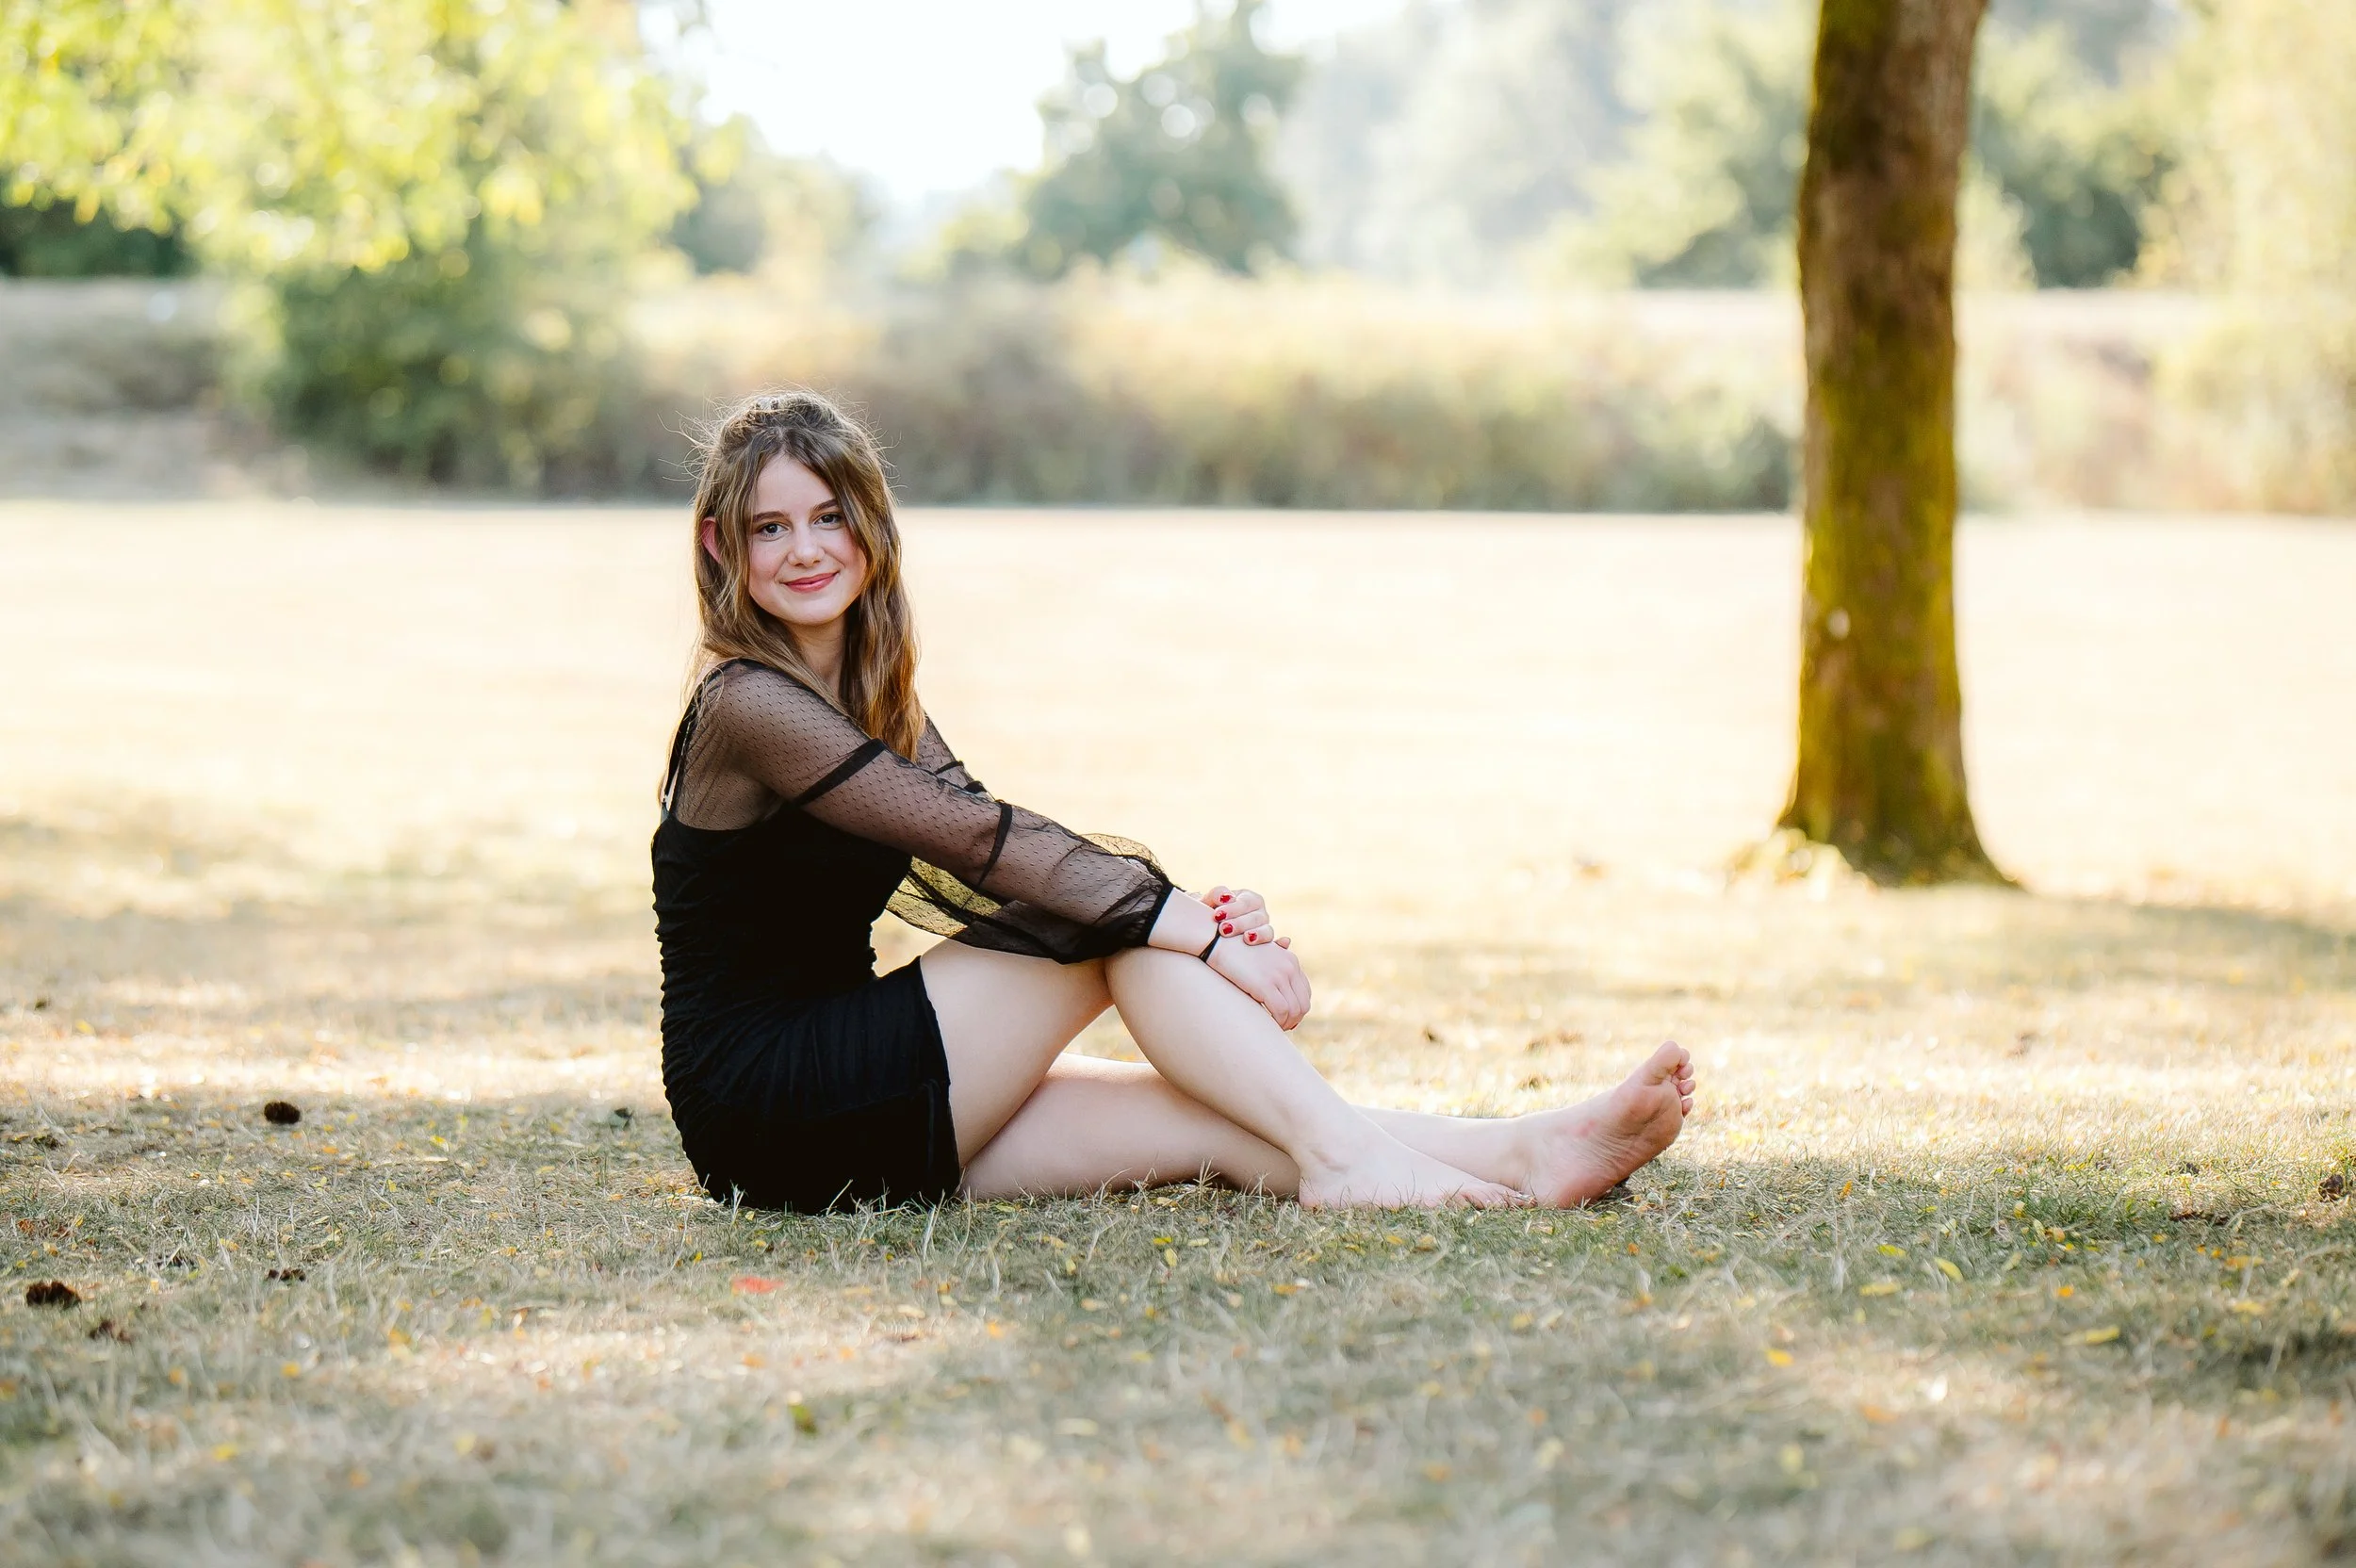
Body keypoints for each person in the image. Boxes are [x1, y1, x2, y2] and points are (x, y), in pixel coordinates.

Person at [652, 390, 1697, 1214]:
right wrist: (1181, 924)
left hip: (861, 1099)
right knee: (1107, 921)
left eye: (830, 516)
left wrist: (1174, 914)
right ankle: (1348, 1160)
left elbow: (979, 828)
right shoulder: (748, 703)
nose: (804, 549)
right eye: (769, 526)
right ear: (720, 547)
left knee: (1218, 1124)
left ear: (871, 528)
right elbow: (973, 840)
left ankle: (1526, 1148)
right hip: (769, 1102)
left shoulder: (872, 694)